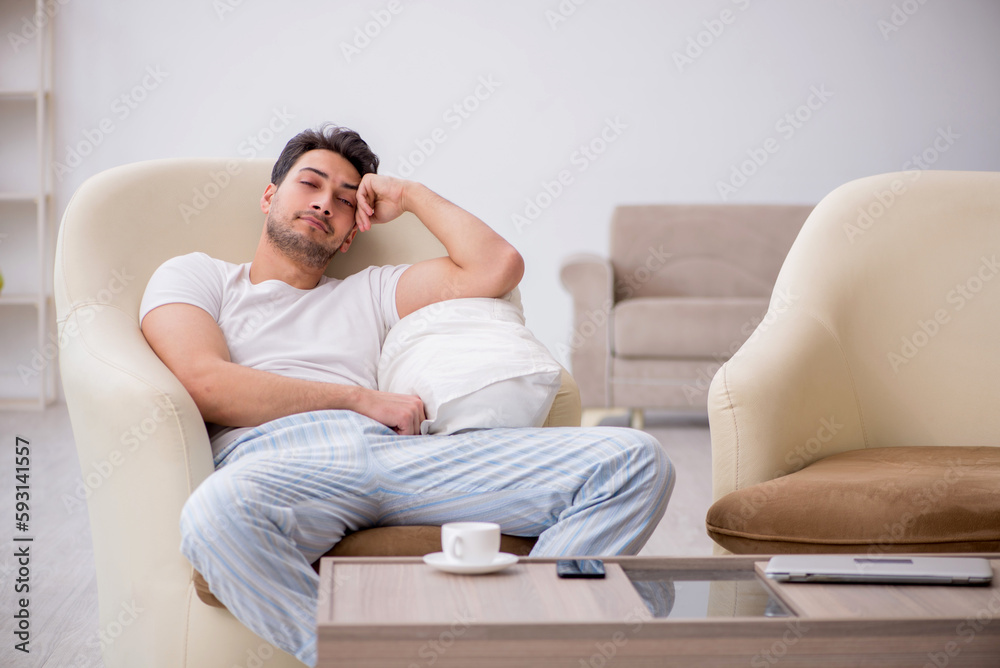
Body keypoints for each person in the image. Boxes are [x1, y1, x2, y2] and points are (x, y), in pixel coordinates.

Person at [140, 123, 674, 666]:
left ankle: (520, 640)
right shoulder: (200, 276)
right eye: (310, 184)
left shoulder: (369, 291)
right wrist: (358, 399)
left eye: (345, 199)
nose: (324, 203)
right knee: (212, 516)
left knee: (635, 459)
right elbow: (206, 383)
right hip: (280, 464)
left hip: (403, 458)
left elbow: (498, 266)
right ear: (269, 196)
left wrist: (411, 194)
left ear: (350, 234)